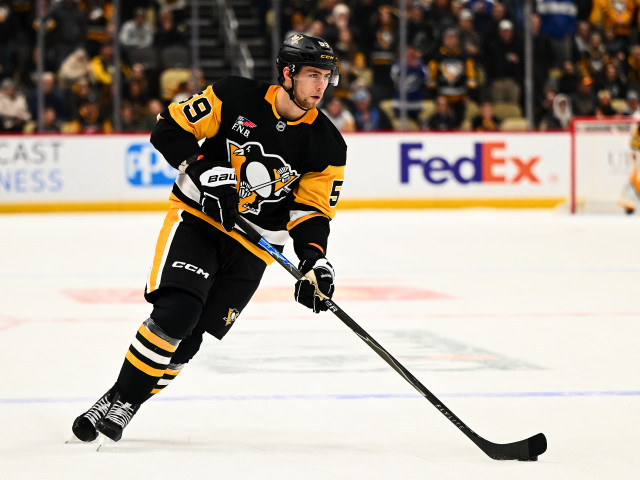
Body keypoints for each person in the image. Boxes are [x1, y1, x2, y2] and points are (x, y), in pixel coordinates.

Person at [71, 33, 347, 443]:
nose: (321, 85)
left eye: (326, 76)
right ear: (288, 74)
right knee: (178, 312)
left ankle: (119, 397)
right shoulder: (234, 95)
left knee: (191, 338)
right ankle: (126, 400)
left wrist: (314, 259)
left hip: (253, 247)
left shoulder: (328, 144)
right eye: (312, 74)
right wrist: (202, 168)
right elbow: (168, 128)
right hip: (198, 220)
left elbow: (311, 211)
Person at [617, 113, 640, 214]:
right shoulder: (637, 116)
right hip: (636, 150)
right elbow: (634, 141)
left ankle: (626, 199)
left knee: (635, 177)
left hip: (636, 150)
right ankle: (626, 200)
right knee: (636, 176)